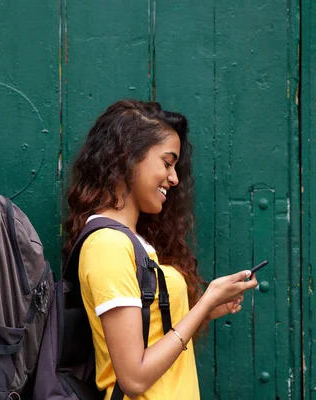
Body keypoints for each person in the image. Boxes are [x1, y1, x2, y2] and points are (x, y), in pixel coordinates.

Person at [62, 100, 258, 400]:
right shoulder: (108, 246)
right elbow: (134, 378)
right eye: (167, 163)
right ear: (128, 157)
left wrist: (202, 313)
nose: (175, 178)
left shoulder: (130, 242)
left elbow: (149, 332)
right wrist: (204, 304)